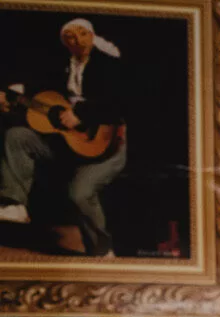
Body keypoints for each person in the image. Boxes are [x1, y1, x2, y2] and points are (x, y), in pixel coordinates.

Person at [0, 17, 128, 255]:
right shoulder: (62, 67)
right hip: (67, 145)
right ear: (65, 42)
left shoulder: (110, 66)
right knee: (17, 136)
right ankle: (14, 203)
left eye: (83, 34)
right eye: (70, 36)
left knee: (80, 193)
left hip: (105, 146)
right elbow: (40, 93)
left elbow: (119, 102)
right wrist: (11, 95)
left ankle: (102, 251)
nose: (77, 40)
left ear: (92, 36)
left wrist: (81, 114)